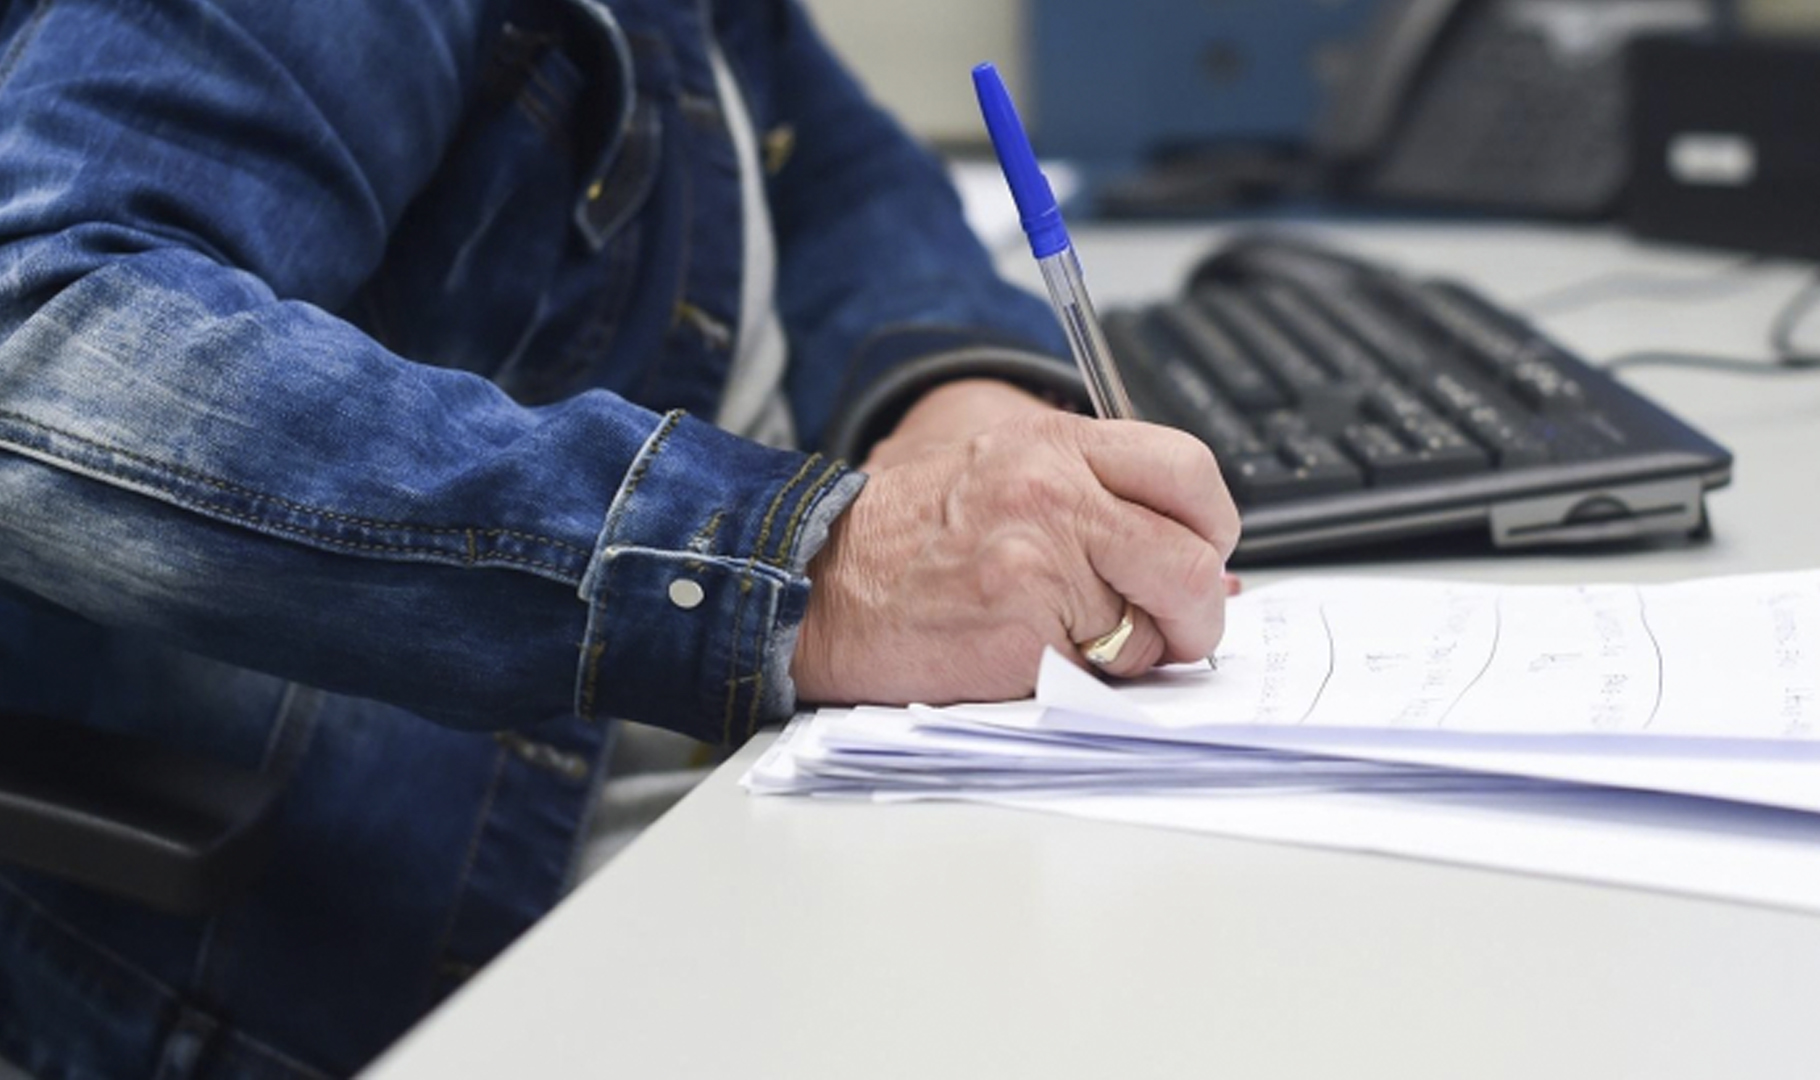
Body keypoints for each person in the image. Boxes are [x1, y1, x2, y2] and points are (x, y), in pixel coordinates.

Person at [0, 0, 1237, 1075]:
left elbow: (844, 185)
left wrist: (958, 411)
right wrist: (808, 564)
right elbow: (41, 328)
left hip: (768, 799)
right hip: (456, 934)